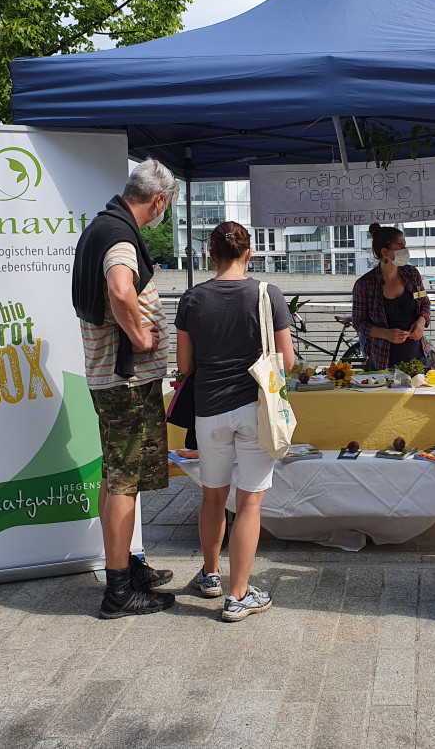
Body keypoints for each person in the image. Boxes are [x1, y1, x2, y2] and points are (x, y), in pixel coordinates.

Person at [72, 158, 179, 619]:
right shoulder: (118, 236)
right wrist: (140, 337)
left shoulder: (103, 224)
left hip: (112, 380)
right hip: (125, 383)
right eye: (167, 206)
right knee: (123, 480)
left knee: (116, 475)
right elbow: (119, 289)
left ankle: (124, 566)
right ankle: (118, 590)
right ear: (158, 201)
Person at [175, 222, 295, 622]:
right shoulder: (267, 294)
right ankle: (239, 595)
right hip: (255, 408)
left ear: (210, 255)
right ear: (248, 254)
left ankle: (211, 575)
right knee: (250, 503)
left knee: (212, 497)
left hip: (208, 409)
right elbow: (288, 361)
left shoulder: (192, 299)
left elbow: (184, 365)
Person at [351, 224, 431, 371]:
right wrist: (386, 334)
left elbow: (425, 304)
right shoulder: (364, 285)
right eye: (400, 246)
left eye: (405, 245)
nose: (405, 250)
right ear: (385, 252)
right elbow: (359, 323)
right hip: (383, 362)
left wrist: (421, 322)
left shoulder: (412, 275)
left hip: (418, 359)